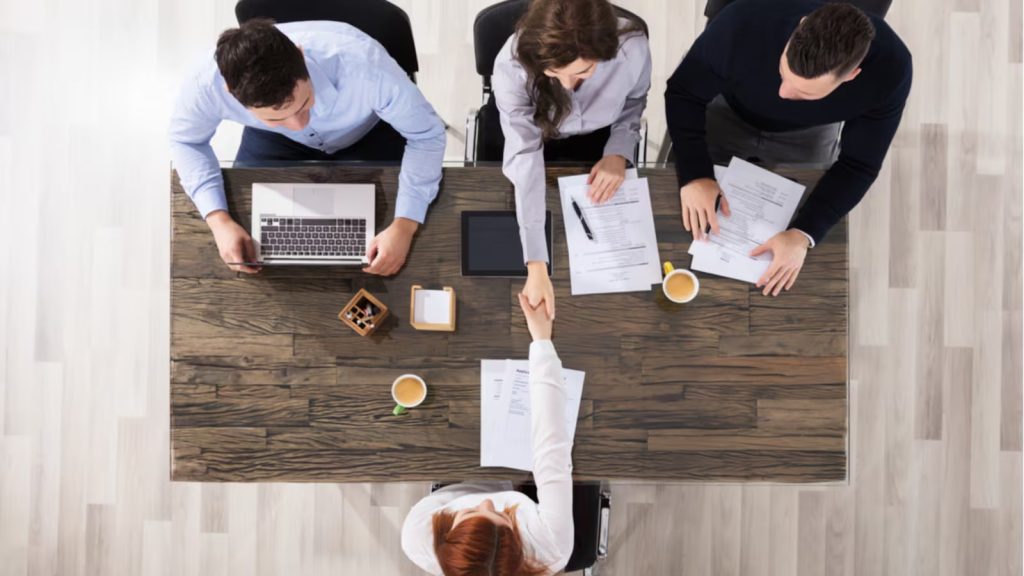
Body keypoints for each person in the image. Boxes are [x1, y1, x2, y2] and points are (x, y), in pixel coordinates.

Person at [666, 0, 911, 296]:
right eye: (783, 73)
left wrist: (803, 234)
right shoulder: (742, 22)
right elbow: (684, 93)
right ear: (800, 26)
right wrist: (695, 174)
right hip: (726, 109)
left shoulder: (891, 70)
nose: (782, 93)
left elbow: (859, 165)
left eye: (804, 92)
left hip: (809, 133)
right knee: (676, 212)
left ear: (851, 75)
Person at [169, 19, 447, 276]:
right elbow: (186, 140)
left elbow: (427, 135)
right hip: (274, 141)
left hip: (368, 132)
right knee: (253, 240)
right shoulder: (205, 85)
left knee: (405, 245)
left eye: (304, 104)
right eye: (275, 116)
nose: (298, 124)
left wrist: (404, 225)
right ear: (230, 93)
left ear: (301, 56)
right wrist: (218, 220)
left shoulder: (365, 66)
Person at [494, 0, 652, 319]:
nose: (567, 85)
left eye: (583, 71)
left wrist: (618, 151)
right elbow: (525, 156)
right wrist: (536, 263)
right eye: (554, 72)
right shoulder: (512, 65)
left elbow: (634, 100)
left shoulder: (632, 48)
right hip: (539, 135)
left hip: (602, 137)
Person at [401, 294, 574, 575]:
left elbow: (456, 497)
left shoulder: (418, 536)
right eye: (501, 516)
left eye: (470, 512)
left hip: (462, 481)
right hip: (520, 476)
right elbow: (551, 448)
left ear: (446, 540)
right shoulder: (551, 548)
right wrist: (542, 340)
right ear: (517, 547)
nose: (488, 503)